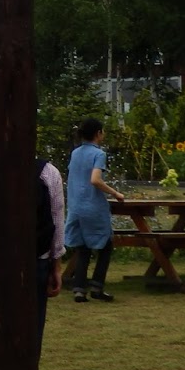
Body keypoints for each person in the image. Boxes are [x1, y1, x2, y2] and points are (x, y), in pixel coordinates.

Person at [64, 118, 125, 302]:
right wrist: (115, 193)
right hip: (92, 206)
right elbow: (95, 180)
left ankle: (79, 289)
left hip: (75, 206)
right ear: (98, 133)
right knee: (105, 245)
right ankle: (97, 287)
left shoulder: (75, 153)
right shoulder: (98, 154)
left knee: (82, 248)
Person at [37, 154, 65, 347]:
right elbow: (57, 222)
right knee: (31, 328)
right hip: (35, 260)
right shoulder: (47, 172)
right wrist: (56, 266)